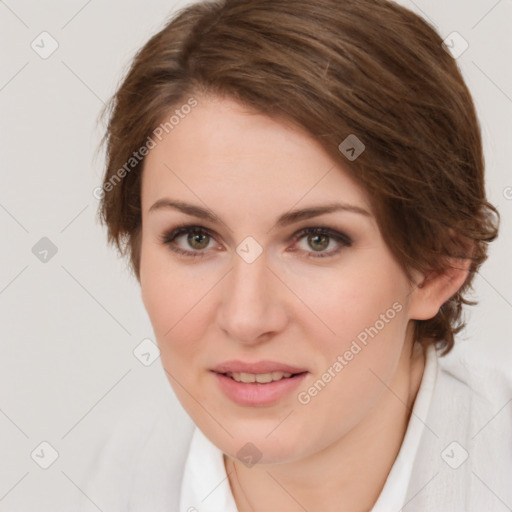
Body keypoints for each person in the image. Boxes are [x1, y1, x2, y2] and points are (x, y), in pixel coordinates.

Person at [83, 0, 512, 510]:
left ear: (437, 267)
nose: (246, 319)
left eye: (317, 240)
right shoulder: (93, 481)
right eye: (195, 238)